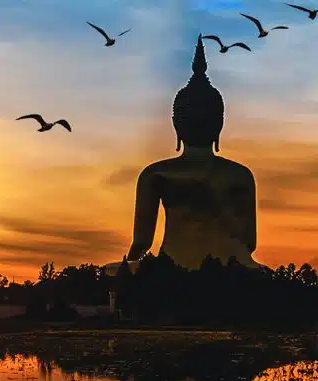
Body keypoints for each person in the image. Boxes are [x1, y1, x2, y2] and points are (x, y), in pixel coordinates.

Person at [106, 35, 260, 275]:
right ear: (219, 125)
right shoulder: (240, 175)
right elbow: (249, 242)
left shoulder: (156, 174)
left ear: (176, 124)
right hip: (234, 272)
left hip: (171, 271)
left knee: (113, 270)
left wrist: (128, 270)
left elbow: (141, 243)